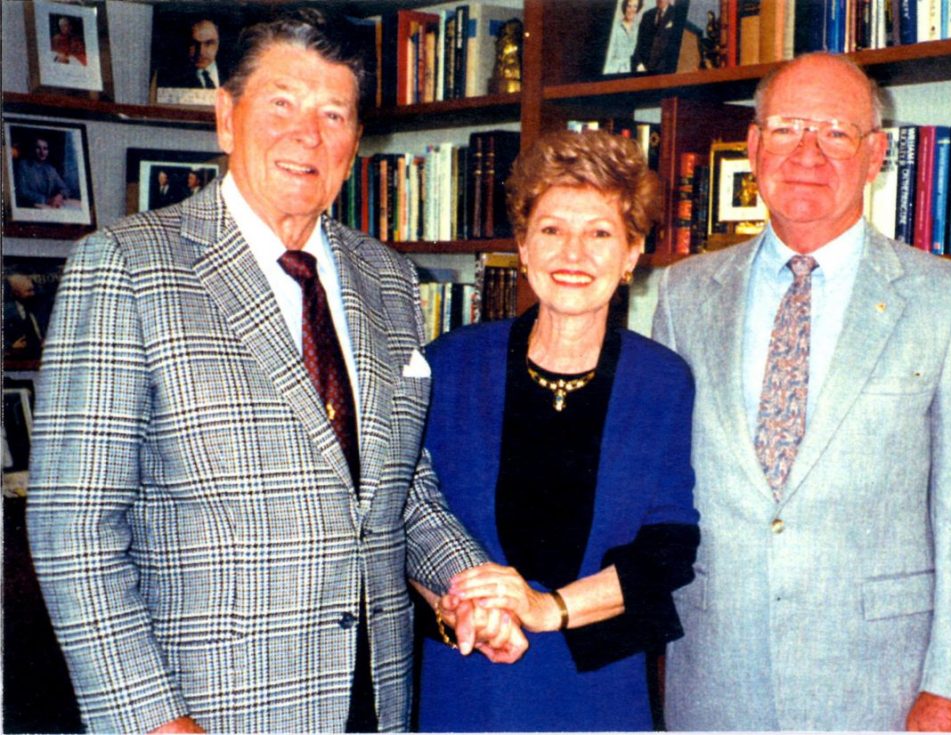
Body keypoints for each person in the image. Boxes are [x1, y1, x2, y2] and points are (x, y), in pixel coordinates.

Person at [27, 12, 525, 734]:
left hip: (374, 699)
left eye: (334, 113)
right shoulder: (127, 268)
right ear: (227, 117)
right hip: (208, 709)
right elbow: (72, 531)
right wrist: (155, 721)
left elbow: (402, 490)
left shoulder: (387, 279)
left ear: (356, 143)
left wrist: (468, 585)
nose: (307, 134)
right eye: (281, 104)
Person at [653, 52, 951, 731]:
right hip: (716, 676)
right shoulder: (683, 293)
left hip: (883, 685)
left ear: (876, 156)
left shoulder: (947, 298)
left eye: (837, 132)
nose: (808, 152)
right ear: (754, 147)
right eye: (786, 128)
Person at [417, 130, 701, 732]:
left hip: (597, 690)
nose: (573, 253)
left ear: (630, 255)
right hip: (467, 673)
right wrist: (460, 607)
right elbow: (405, 516)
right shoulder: (449, 364)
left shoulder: (663, 381)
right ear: (523, 247)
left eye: (599, 233)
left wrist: (548, 609)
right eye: (551, 230)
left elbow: (669, 548)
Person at [158, 18, 221, 89]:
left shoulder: (233, 73)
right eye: (194, 44)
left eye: (208, 43)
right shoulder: (169, 78)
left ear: (218, 43)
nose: (201, 52)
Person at [14, 136, 71, 209]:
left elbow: (65, 189)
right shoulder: (23, 166)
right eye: (38, 148)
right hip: (30, 208)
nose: (42, 152)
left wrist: (60, 195)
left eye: (45, 148)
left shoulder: (50, 169)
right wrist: (46, 200)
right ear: (32, 149)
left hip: (48, 207)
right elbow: (22, 192)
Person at [631, 0, 684, 74]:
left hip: (662, 73)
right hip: (643, 70)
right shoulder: (647, 15)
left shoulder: (677, 16)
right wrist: (639, 64)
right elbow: (639, 44)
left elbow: (674, 51)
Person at [603, 0, 643, 74]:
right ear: (625, 7)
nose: (631, 10)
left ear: (638, 9)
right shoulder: (615, 28)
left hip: (631, 72)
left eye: (635, 7)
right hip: (614, 71)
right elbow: (608, 56)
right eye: (629, 6)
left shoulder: (638, 29)